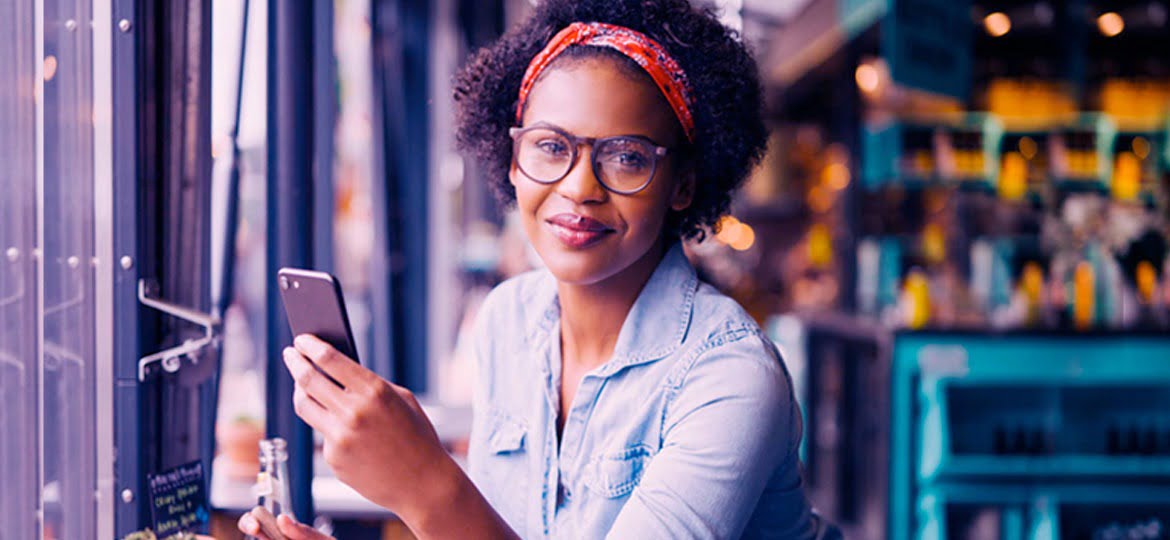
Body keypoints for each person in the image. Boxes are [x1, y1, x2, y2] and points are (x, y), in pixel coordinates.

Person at [240, 0, 820, 537]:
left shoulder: (729, 378)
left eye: (625, 157)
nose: (579, 187)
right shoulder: (508, 320)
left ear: (683, 185)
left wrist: (425, 484)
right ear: (511, 161)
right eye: (549, 146)